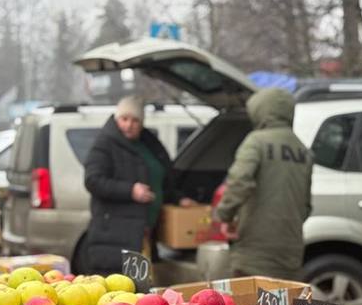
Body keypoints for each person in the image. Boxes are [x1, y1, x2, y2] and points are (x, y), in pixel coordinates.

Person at [82, 96, 192, 274]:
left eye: (135, 120)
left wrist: (178, 199)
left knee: (141, 282)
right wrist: (130, 190)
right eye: (124, 119)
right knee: (122, 284)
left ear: (141, 123)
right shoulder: (105, 144)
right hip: (116, 232)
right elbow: (93, 180)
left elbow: (160, 180)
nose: (129, 125)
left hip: (143, 232)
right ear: (117, 119)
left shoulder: (148, 144)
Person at [215, 88, 312, 280]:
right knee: (282, 297)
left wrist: (225, 215)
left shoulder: (256, 142)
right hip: (291, 250)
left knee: (249, 297)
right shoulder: (304, 151)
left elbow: (239, 181)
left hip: (254, 249)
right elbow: (306, 206)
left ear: (260, 110)